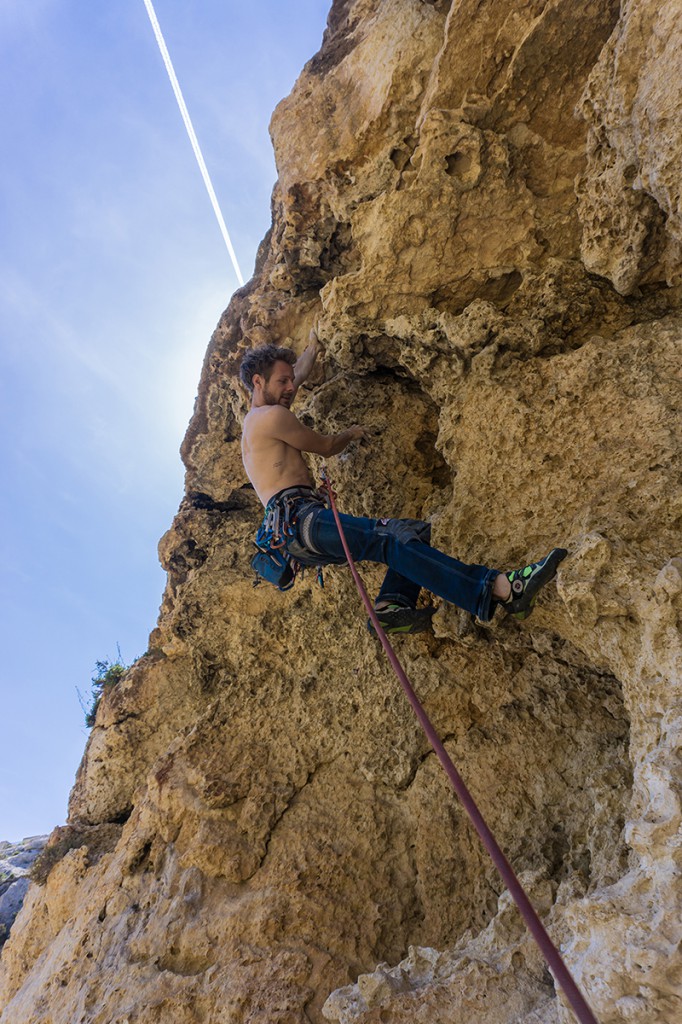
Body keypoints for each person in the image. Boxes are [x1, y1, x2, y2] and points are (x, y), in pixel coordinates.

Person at [239, 335, 567, 633]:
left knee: (412, 530)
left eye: (290, 380)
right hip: (303, 520)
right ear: (258, 381)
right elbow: (325, 447)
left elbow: (296, 374)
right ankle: (502, 589)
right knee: (389, 539)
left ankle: (391, 605)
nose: (291, 388)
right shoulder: (272, 417)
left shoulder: (254, 427)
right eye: (282, 381)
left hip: (294, 539)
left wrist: (312, 346)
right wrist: (349, 434)